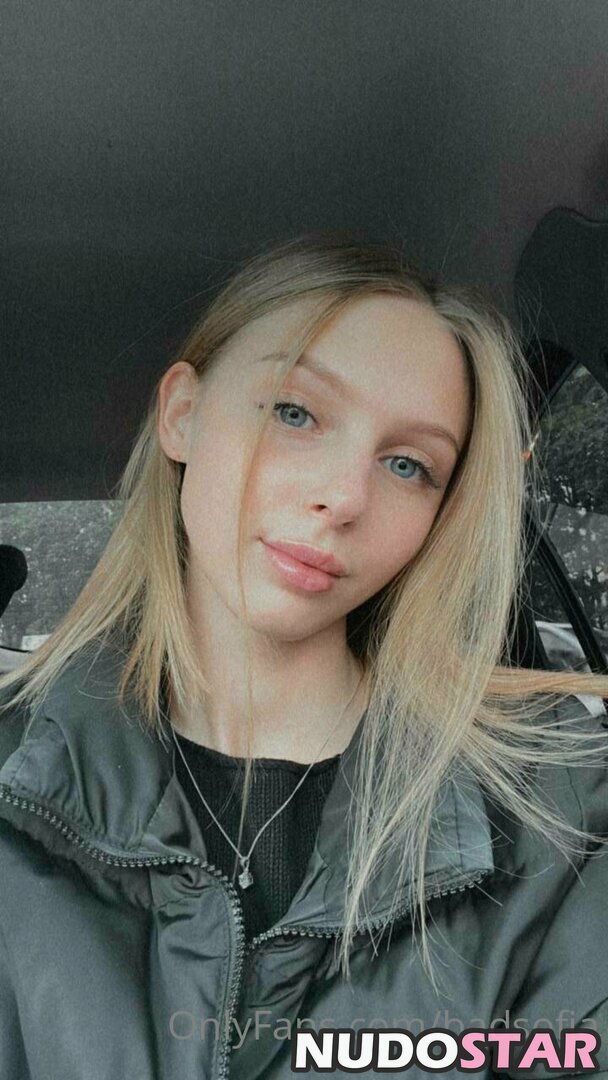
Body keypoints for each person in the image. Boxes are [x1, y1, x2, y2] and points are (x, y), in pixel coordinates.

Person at [0, 233, 607, 1080]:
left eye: (408, 465)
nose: (345, 497)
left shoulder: (559, 814)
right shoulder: (16, 777)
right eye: (296, 412)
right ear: (181, 413)